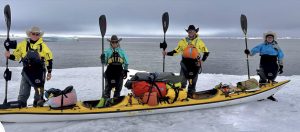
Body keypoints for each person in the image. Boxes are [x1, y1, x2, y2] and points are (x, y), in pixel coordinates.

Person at [5, 26, 53, 107]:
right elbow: (17, 56)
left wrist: (49, 72)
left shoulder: (43, 46)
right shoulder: (23, 44)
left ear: (39, 35)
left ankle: (37, 104)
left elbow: (49, 59)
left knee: (38, 93)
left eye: (37, 34)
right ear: (30, 34)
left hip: (39, 72)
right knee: (23, 93)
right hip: (26, 72)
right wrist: (9, 56)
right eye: (33, 33)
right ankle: (21, 105)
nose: (35, 35)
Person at [162, 25, 209, 98]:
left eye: (192, 31)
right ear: (188, 32)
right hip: (185, 63)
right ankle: (181, 95)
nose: (190, 32)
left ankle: (191, 95)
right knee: (182, 81)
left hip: (195, 64)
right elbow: (176, 51)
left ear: (195, 32)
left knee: (193, 82)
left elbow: (206, 52)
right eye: (189, 31)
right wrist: (167, 53)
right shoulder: (183, 41)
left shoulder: (199, 42)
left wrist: (202, 61)